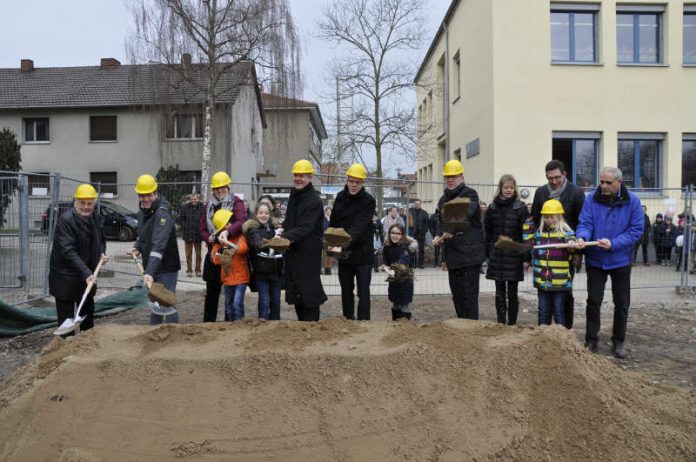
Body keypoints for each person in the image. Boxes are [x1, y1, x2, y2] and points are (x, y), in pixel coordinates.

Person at [574, 166, 643, 359]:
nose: (603, 186)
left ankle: (618, 341)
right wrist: (582, 237)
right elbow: (585, 223)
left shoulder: (633, 202)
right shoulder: (591, 199)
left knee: (621, 303)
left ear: (619, 182)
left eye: (608, 183)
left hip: (620, 260)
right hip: (596, 259)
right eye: (601, 182)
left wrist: (614, 243)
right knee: (593, 301)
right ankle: (591, 340)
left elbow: (636, 231)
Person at [531, 159, 585, 329]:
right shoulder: (540, 192)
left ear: (564, 175)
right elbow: (534, 219)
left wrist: (577, 253)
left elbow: (581, 222)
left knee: (564, 294)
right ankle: (545, 331)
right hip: (546, 253)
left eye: (557, 177)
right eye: (550, 178)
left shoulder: (576, 193)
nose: (553, 181)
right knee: (545, 298)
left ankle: (565, 330)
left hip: (566, 253)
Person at [49, 184, 107, 336]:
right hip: (66, 280)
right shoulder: (65, 221)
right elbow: (68, 252)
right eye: (82, 203)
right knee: (66, 324)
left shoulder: (94, 218)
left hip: (86, 279)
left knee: (87, 321)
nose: (86, 207)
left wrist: (101, 253)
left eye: (89, 203)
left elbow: (100, 240)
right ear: (75, 201)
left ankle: (86, 352)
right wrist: (86, 273)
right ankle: (65, 354)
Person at [434, 159, 486, 319]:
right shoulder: (443, 200)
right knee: (457, 295)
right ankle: (462, 329)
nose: (450, 179)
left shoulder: (470, 194)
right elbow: (439, 222)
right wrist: (438, 234)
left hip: (470, 255)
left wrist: (452, 228)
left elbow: (466, 214)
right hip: (453, 256)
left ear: (461, 177)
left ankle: (471, 329)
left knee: (469, 296)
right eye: (447, 177)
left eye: (454, 176)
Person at [130, 174, 181, 325]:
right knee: (155, 303)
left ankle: (173, 335)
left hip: (166, 267)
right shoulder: (143, 212)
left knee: (167, 303)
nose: (145, 199)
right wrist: (137, 247)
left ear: (155, 192)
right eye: (142, 195)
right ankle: (154, 334)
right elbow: (144, 234)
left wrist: (149, 272)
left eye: (148, 195)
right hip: (152, 266)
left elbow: (159, 243)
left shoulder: (162, 213)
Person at [328, 163, 377, 321]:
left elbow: (359, 226)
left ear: (363, 183)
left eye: (358, 182)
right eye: (352, 181)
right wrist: (330, 240)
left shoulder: (369, 201)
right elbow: (333, 222)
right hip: (345, 253)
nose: (354, 185)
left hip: (363, 253)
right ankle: (347, 320)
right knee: (346, 289)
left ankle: (364, 322)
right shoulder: (340, 198)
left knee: (363, 291)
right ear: (347, 180)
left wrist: (341, 241)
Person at [281, 159, 327, 321]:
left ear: (310, 177)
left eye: (301, 176)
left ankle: (312, 326)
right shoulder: (295, 195)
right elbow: (290, 221)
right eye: (295, 175)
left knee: (309, 292)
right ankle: (303, 326)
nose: (297, 179)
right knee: (297, 292)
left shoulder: (313, 200)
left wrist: (283, 237)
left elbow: (305, 227)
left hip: (308, 254)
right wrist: (281, 229)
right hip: (295, 252)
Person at [199, 171, 247, 322]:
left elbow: (242, 221)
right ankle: (208, 324)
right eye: (216, 188)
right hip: (213, 255)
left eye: (222, 187)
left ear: (228, 187)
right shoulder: (208, 206)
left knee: (230, 296)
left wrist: (227, 232)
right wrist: (210, 238)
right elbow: (201, 229)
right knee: (211, 294)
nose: (219, 190)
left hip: (230, 255)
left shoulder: (237, 202)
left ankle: (230, 324)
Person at [485, 174, 529, 325]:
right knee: (499, 293)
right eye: (506, 187)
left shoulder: (521, 207)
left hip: (514, 256)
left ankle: (512, 324)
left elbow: (526, 235)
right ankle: (501, 322)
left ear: (514, 188)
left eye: (511, 187)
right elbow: (488, 232)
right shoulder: (492, 208)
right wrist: (488, 253)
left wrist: (526, 258)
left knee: (512, 293)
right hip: (497, 255)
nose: (508, 190)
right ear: (501, 188)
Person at [531, 199, 576, 326]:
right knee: (543, 312)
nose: (548, 220)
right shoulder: (539, 234)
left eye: (551, 217)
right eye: (546, 217)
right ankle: (542, 338)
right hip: (542, 280)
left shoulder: (566, 234)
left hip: (559, 282)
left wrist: (572, 244)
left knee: (558, 312)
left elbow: (572, 247)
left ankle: (560, 339)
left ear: (559, 217)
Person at [244, 202, 284, 320]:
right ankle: (262, 322)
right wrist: (273, 238)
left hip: (275, 271)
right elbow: (257, 244)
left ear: (270, 214)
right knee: (264, 300)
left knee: (276, 301)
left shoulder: (275, 228)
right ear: (256, 214)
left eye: (266, 213)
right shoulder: (253, 229)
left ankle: (276, 323)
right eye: (261, 213)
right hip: (261, 271)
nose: (263, 215)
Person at [210, 209, 249, 321]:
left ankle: (240, 323)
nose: (228, 226)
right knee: (229, 307)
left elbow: (242, 249)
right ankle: (231, 326)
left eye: (229, 223)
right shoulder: (219, 243)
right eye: (225, 225)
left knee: (237, 304)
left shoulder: (240, 237)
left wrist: (228, 244)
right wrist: (218, 245)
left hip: (241, 279)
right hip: (227, 279)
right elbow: (216, 260)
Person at [382, 223, 417, 320]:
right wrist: (385, 266)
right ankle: (395, 325)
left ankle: (405, 327)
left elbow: (403, 261)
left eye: (398, 233)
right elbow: (385, 258)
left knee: (404, 304)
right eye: (392, 233)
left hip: (405, 279)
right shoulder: (387, 246)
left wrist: (395, 269)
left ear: (402, 235)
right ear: (389, 233)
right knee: (395, 303)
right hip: (393, 280)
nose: (395, 235)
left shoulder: (406, 247)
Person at [179, 193, 203, 277]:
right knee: (188, 254)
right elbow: (181, 218)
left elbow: (204, 219)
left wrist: (201, 228)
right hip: (188, 234)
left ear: (198, 199)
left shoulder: (202, 207)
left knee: (198, 254)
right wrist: (185, 226)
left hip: (198, 234)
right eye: (192, 199)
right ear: (190, 199)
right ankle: (189, 270)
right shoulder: (185, 207)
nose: (193, 200)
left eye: (195, 199)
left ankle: (198, 270)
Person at [409, 199, 430, 268]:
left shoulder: (424, 213)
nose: (417, 205)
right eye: (416, 204)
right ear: (414, 204)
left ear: (421, 204)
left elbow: (427, 224)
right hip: (413, 234)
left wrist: (424, 231)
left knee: (421, 249)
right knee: (413, 249)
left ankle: (421, 264)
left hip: (421, 234)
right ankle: (413, 264)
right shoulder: (411, 212)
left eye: (418, 204)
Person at [322, 207, 333, 275]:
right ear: (325, 212)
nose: (328, 212)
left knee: (331, 254)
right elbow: (324, 228)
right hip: (325, 239)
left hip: (332, 239)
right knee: (326, 254)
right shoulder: (323, 219)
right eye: (327, 211)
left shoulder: (332, 219)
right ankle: (326, 269)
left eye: (330, 211)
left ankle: (329, 269)